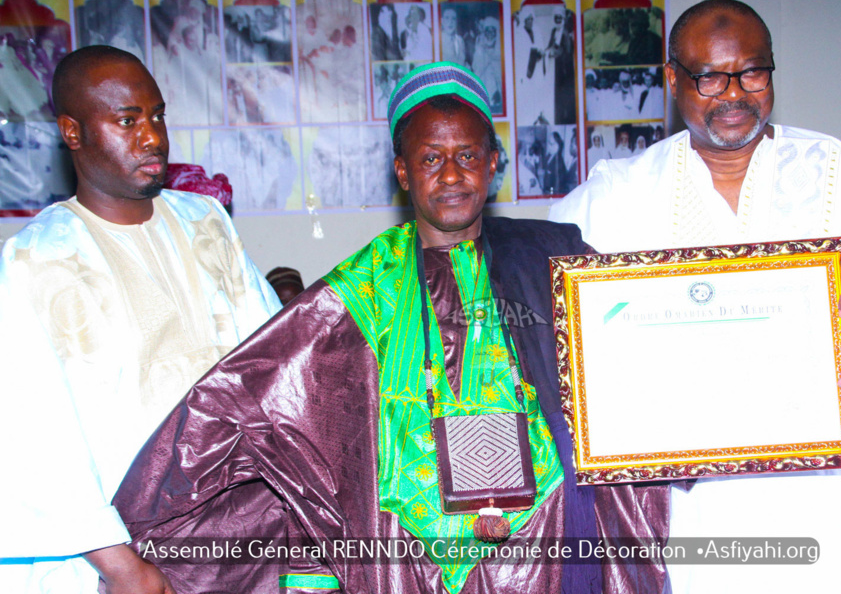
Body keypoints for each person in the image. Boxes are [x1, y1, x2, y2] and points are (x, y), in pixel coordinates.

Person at [114, 62, 671, 594]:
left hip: (551, 546)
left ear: (493, 163)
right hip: (412, 562)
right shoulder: (363, 285)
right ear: (402, 171)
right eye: (430, 159)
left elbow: (636, 362)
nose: (450, 175)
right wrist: (142, 519)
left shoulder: (553, 257)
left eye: (467, 155)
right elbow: (249, 396)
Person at [550, 0, 841, 593]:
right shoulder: (618, 197)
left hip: (837, 511)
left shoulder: (838, 173)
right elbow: (549, 328)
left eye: (752, 73)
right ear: (673, 80)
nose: (734, 94)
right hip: (693, 513)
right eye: (710, 77)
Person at [0, 45, 281, 594]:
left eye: (158, 116)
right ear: (73, 132)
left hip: (241, 532)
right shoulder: (36, 261)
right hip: (123, 556)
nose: (152, 137)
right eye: (128, 121)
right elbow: (31, 434)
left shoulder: (205, 223)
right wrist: (123, 568)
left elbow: (272, 363)